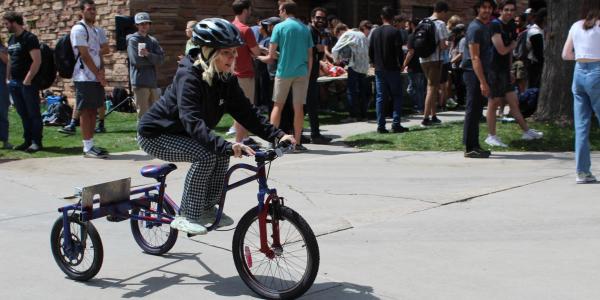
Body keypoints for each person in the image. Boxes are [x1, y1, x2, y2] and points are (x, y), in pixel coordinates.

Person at [137, 18, 294, 235]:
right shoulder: (189, 76)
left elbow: (246, 113)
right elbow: (192, 121)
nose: (234, 57)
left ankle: (207, 210)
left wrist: (277, 135)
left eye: (235, 52)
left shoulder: (225, 78)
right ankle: (187, 215)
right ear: (209, 52)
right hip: (156, 135)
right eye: (227, 52)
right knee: (207, 155)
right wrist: (226, 144)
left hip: (184, 134)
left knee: (220, 154)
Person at [484, 0, 543, 148]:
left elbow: (508, 53)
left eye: (512, 10)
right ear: (500, 10)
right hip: (494, 70)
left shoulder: (511, 25)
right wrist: (513, 45)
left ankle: (527, 132)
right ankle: (491, 136)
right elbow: (502, 49)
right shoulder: (495, 25)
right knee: (494, 103)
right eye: (506, 10)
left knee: (514, 102)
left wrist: (510, 69)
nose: (509, 12)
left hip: (504, 70)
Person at [258, 1, 313, 152]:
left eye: (280, 10)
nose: (279, 13)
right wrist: (307, 74)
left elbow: (270, 56)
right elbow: (310, 56)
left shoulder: (279, 27)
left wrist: (258, 57)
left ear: (284, 10)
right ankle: (298, 142)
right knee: (298, 108)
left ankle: (272, 141)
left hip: (283, 72)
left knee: (277, 106)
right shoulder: (305, 28)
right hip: (301, 72)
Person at [562, 7, 600, 184]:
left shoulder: (576, 25)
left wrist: (583, 54)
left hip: (578, 72)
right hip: (597, 72)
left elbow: (566, 54)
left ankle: (582, 172)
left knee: (581, 125)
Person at [71, 0, 109, 158]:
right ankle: (87, 148)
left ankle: (91, 144)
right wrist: (98, 74)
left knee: (93, 110)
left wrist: (102, 72)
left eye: (94, 9)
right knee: (86, 111)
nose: (92, 11)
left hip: (94, 77)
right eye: (89, 9)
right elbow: (85, 55)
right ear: (81, 12)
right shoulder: (78, 29)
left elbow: (99, 53)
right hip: (84, 77)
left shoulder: (93, 30)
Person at [3, 11, 42, 153]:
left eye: (7, 23)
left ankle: (36, 142)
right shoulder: (12, 39)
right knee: (23, 113)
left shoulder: (29, 38)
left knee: (33, 113)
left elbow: (37, 61)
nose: (5, 26)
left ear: (14, 22)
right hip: (14, 83)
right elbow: (10, 61)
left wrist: (28, 79)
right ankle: (27, 141)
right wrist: (8, 78)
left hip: (27, 83)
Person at [461, 0, 495, 158]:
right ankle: (470, 147)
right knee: (472, 110)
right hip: (473, 73)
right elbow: (474, 57)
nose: (487, 10)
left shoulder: (485, 26)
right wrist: (482, 81)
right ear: (478, 9)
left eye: (489, 8)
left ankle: (474, 145)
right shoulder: (475, 28)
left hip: (481, 73)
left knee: (476, 112)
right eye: (484, 7)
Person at [369, 6, 409, 134]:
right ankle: (396, 123)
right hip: (392, 68)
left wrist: (373, 62)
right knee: (397, 95)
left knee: (380, 97)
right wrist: (402, 64)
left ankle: (381, 125)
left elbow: (370, 50)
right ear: (393, 18)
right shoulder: (395, 31)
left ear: (381, 17)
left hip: (379, 69)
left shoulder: (375, 32)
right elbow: (398, 52)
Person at [231, 0, 263, 146]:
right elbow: (255, 52)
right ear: (245, 10)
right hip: (244, 74)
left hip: (231, 73)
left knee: (237, 107)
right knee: (244, 109)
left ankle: (244, 138)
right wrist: (261, 50)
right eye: (249, 9)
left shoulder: (229, 27)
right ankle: (239, 142)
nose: (250, 12)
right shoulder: (246, 29)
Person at [127, 12, 165, 120]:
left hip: (152, 82)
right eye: (141, 23)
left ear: (149, 24)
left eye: (146, 23)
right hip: (140, 81)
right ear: (137, 25)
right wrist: (154, 59)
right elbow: (137, 61)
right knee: (143, 113)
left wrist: (148, 55)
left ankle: (153, 136)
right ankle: (141, 136)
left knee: (155, 113)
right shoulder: (133, 40)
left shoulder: (153, 40)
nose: (144, 25)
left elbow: (162, 59)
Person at [419, 1, 449, 127]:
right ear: (442, 11)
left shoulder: (422, 22)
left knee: (431, 87)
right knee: (432, 88)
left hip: (423, 59)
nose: (445, 16)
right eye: (445, 13)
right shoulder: (440, 24)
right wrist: (448, 44)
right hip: (435, 59)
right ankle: (425, 119)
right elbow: (442, 46)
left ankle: (434, 115)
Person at [332, 23, 370, 122]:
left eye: (338, 36)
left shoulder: (347, 34)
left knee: (351, 91)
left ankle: (353, 116)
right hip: (364, 67)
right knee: (362, 91)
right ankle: (363, 115)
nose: (339, 38)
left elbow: (335, 49)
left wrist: (336, 61)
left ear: (340, 31)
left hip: (354, 66)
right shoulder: (362, 34)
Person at [306, 7, 332, 144]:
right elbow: (307, 51)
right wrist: (318, 48)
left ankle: (300, 134)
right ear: (312, 18)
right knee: (311, 104)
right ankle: (315, 135)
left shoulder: (317, 32)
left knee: (307, 105)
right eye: (318, 17)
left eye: (323, 18)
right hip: (308, 73)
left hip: (312, 73)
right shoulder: (310, 31)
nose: (321, 20)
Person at [403, 18, 426, 114]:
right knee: (420, 88)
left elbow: (410, 52)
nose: (406, 28)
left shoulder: (412, 36)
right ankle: (421, 107)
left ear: (412, 25)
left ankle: (418, 106)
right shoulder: (423, 36)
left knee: (412, 88)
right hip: (423, 64)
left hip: (413, 66)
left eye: (407, 25)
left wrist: (404, 64)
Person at [526, 8, 546, 88]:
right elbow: (538, 54)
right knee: (534, 90)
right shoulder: (535, 33)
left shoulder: (540, 30)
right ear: (544, 18)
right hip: (535, 65)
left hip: (535, 64)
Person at [0, 36, 11, 149]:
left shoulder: (3, 49)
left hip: (1, 85)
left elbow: (8, 61)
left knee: (2, 112)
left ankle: (5, 140)